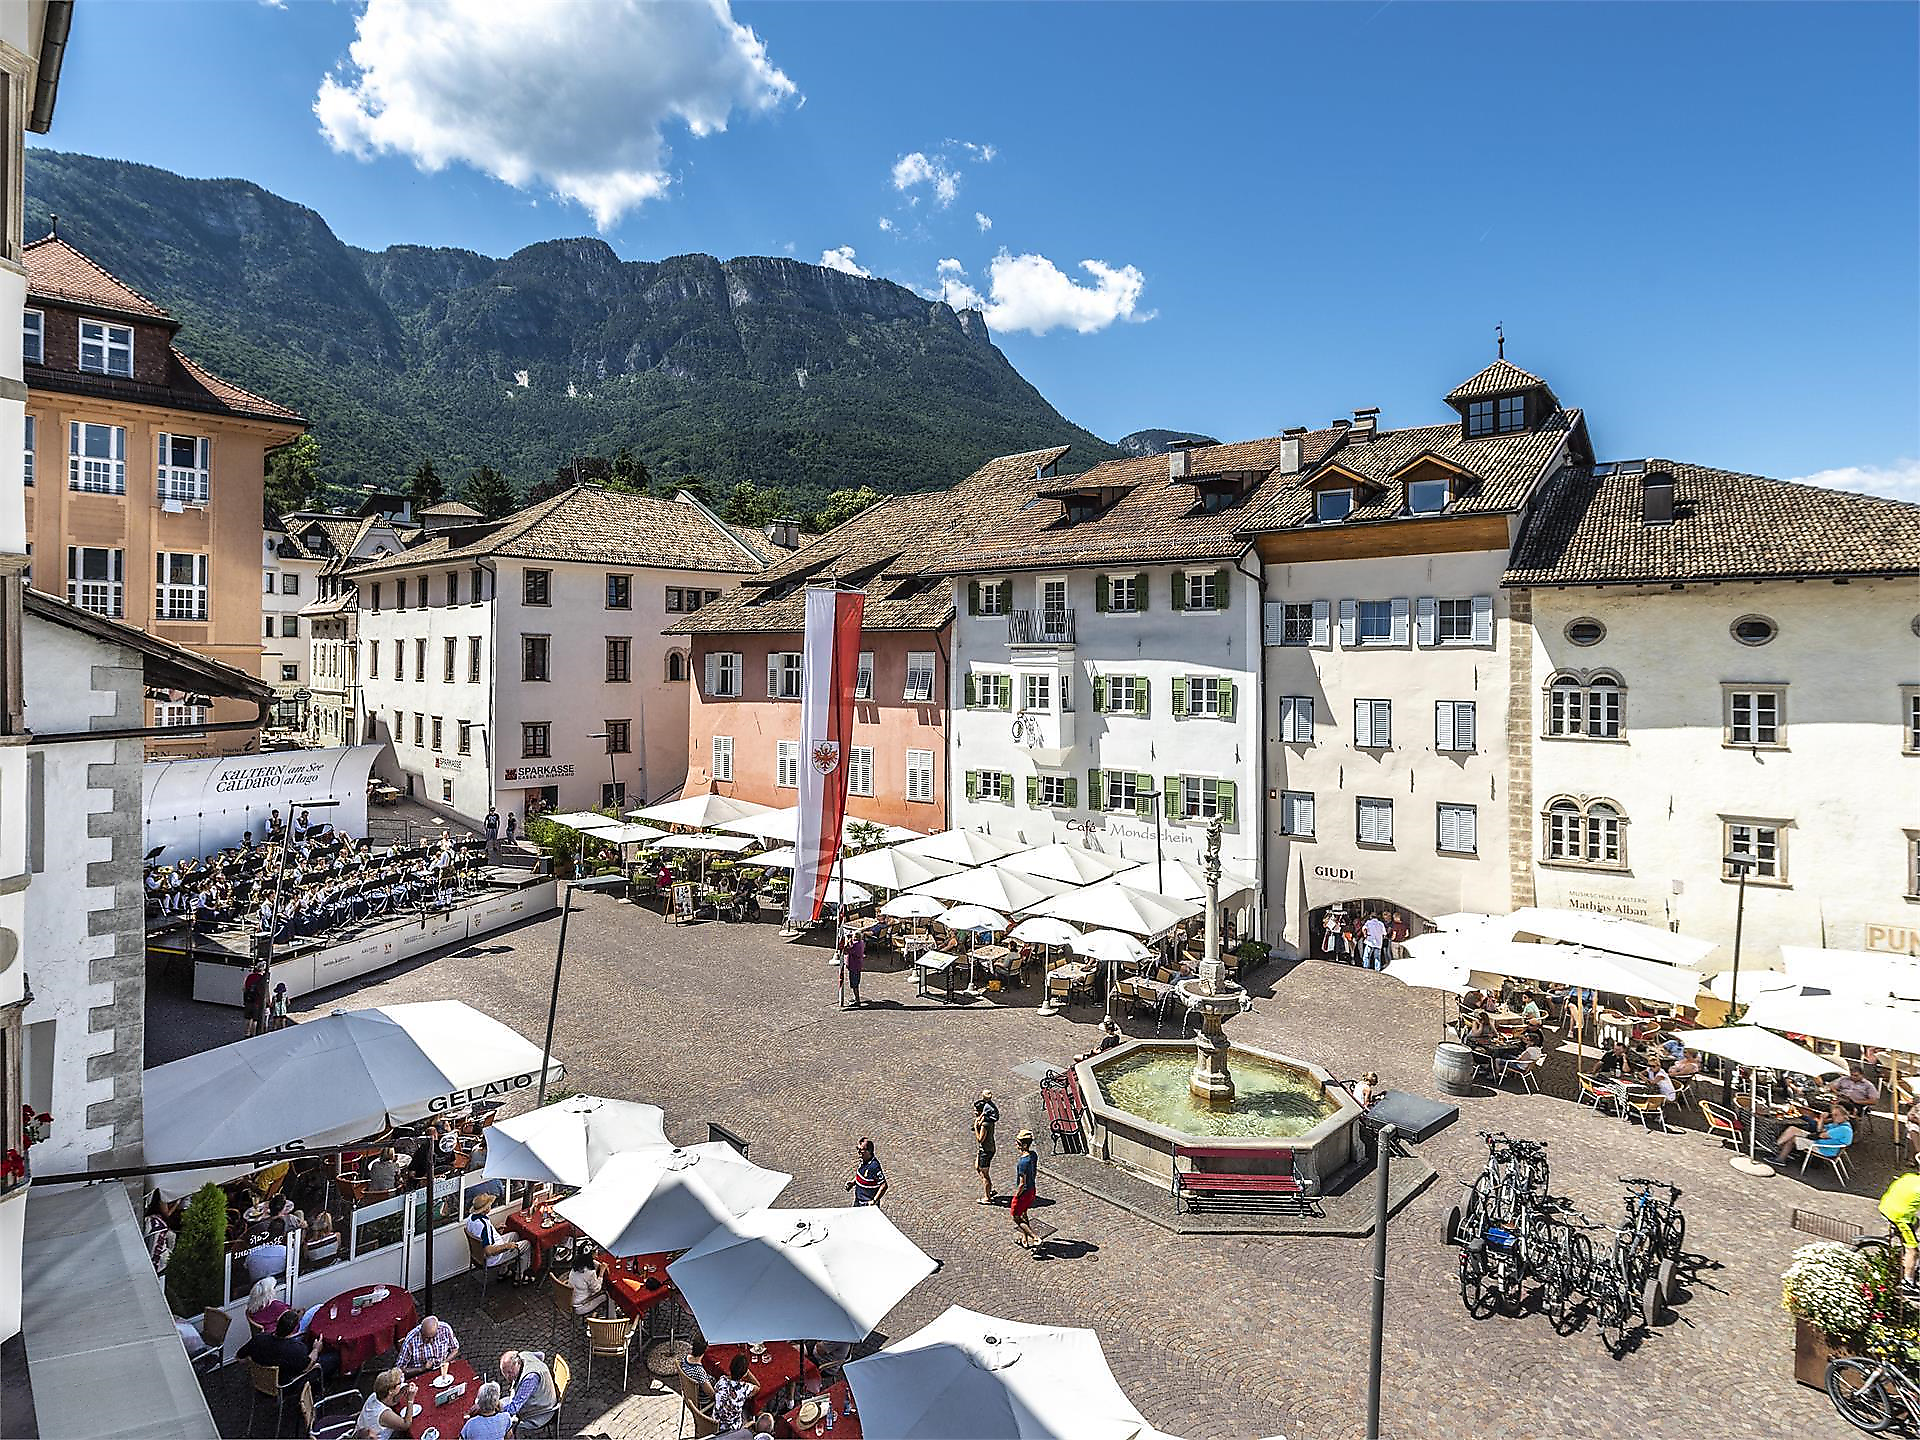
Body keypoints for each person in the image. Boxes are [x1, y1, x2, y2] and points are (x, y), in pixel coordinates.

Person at [239, 1308, 340, 1390]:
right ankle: (319, 1388)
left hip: (260, 1380)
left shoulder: (258, 1338)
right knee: (334, 1357)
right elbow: (307, 1367)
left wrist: (258, 1367)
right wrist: (316, 1349)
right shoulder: (296, 1349)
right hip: (286, 1386)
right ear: (294, 1330)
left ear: (277, 1323)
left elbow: (239, 1358)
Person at [466, 1193, 535, 1281]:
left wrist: (494, 1229)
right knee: (527, 1244)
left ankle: (503, 1272)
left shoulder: (470, 1219)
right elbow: (489, 1251)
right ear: (486, 1209)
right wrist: (506, 1246)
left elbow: (479, 1233)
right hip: (493, 1258)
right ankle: (520, 1277)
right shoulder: (484, 1226)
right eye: (490, 1205)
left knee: (515, 1235)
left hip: (478, 1254)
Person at [1775, 1100, 1854, 1168]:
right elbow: (1819, 1130)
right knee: (1793, 1129)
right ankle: (1776, 1148)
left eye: (1836, 1115)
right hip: (1821, 1143)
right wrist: (1822, 1119)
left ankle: (1780, 1159)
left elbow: (1821, 1135)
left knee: (1793, 1138)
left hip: (1823, 1148)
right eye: (1833, 1115)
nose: (1833, 1117)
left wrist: (1805, 1135)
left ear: (1844, 1116)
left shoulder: (1843, 1129)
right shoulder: (1837, 1125)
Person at [1878, 1170, 1920, 1290]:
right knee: (1913, 1250)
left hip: (1886, 1207)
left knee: (1916, 1221)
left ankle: (1905, 1248)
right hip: (1899, 1217)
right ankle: (1908, 1282)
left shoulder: (1909, 1176)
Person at [499, 1350, 560, 1430]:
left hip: (541, 1413)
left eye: (509, 1372)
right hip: (540, 1399)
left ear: (517, 1364)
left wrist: (494, 1413)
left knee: (503, 1424)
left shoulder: (530, 1379)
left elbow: (514, 1409)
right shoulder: (524, 1355)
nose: (507, 1377)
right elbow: (541, 1355)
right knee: (501, 1403)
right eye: (504, 1373)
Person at [357, 1369, 417, 1440]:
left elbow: (391, 1402)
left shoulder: (375, 1395)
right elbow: (406, 1425)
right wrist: (410, 1400)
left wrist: (403, 1390)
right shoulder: (384, 1414)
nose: (401, 1383)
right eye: (399, 1383)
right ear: (390, 1391)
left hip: (361, 1431)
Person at [396, 1314, 460, 1375]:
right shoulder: (411, 1340)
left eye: (433, 1337)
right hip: (420, 1374)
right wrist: (423, 1368)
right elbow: (400, 1369)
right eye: (427, 1338)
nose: (431, 1341)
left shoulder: (445, 1329)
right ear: (421, 1332)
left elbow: (455, 1349)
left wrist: (444, 1362)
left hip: (443, 1369)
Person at [1010, 1129, 1040, 1251]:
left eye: (1018, 1143)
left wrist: (1016, 1196)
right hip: (1032, 1190)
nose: (1016, 1144)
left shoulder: (1022, 1162)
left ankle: (1035, 1238)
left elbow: (1022, 1184)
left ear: (1024, 1145)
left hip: (1024, 1193)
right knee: (1024, 1213)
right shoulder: (1033, 1155)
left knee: (1016, 1217)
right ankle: (1025, 1239)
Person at [712, 1353, 759, 1431]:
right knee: (748, 1411)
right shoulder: (745, 1388)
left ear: (730, 1368)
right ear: (744, 1374)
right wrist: (748, 1373)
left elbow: (716, 1390)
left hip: (714, 1423)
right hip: (732, 1429)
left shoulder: (722, 1380)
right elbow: (757, 1386)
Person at [973, 1090, 999, 1204]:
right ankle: (988, 1188)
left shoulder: (985, 1124)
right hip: (983, 1149)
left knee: (985, 1174)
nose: (974, 1112)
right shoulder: (985, 1117)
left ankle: (987, 1197)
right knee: (978, 1167)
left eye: (975, 1110)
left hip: (986, 1150)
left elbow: (980, 1139)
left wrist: (976, 1127)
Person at [566, 1248, 610, 1316]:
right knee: (609, 1295)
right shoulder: (590, 1273)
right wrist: (601, 1272)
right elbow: (597, 1289)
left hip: (569, 1299)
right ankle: (611, 1318)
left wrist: (599, 1265)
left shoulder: (577, 1264)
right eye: (595, 1251)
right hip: (580, 1306)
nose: (597, 1252)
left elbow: (591, 1264)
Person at [848, 1137, 887, 1206]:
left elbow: (884, 1185)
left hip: (867, 1204)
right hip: (858, 1201)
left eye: (861, 1150)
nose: (858, 1152)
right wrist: (853, 1182)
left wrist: (874, 1201)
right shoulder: (863, 1160)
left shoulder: (874, 1167)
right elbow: (861, 1175)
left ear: (868, 1151)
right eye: (857, 1148)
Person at [841, 928, 865, 1007]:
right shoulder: (861, 943)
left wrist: (847, 941)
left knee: (854, 984)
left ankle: (857, 1000)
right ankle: (855, 998)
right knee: (855, 983)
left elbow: (846, 950)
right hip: (856, 966)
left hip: (854, 967)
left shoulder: (856, 946)